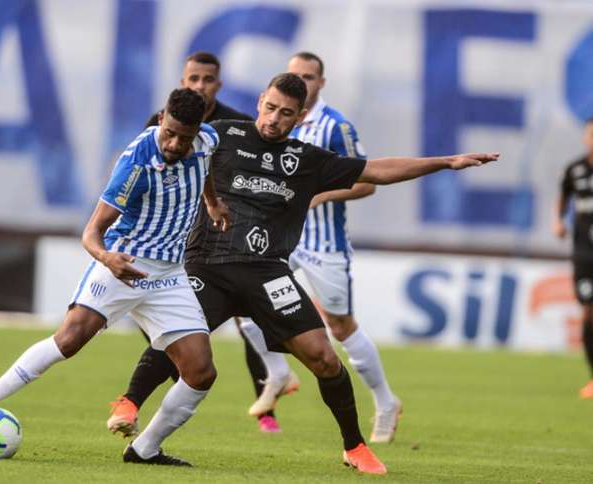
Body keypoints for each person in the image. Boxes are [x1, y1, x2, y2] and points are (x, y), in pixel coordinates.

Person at [121, 72, 498, 475]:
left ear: (300, 117)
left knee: (324, 357)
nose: (274, 119)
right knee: (182, 347)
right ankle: (131, 410)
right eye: (269, 108)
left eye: (285, 113)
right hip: (207, 266)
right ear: (260, 101)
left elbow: (379, 170)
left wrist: (445, 162)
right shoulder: (221, 134)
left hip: (268, 274)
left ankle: (355, 447)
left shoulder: (307, 161)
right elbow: (166, 141)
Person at [0, 88, 231, 467]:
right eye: (170, 133)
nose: (176, 143)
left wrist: (211, 201)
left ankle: (144, 449)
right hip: (123, 262)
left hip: (168, 275)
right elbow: (91, 233)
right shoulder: (136, 163)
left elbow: (205, 165)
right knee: (70, 339)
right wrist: (107, 260)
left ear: (198, 130)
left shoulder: (207, 140)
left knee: (200, 371)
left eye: (185, 136)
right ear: (162, 118)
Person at [108, 51, 295, 437]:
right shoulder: (160, 123)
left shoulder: (236, 125)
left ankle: (267, 401)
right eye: (193, 79)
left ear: (218, 84)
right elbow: (135, 176)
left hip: (225, 234)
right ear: (182, 80)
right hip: (174, 240)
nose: (199, 86)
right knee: (189, 330)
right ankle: (271, 378)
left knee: (247, 316)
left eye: (207, 79)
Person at [237, 52, 401, 444]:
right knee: (243, 301)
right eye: (295, 76)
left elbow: (367, 181)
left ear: (321, 83)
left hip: (323, 243)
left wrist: (317, 195)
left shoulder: (335, 126)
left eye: (309, 77)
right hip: (280, 238)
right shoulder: (275, 120)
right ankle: (277, 373)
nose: (302, 83)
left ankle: (386, 400)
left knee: (340, 327)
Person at [553, 116, 593, 399]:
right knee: (589, 312)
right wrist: (557, 221)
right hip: (584, 253)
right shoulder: (575, 169)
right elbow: (562, 197)